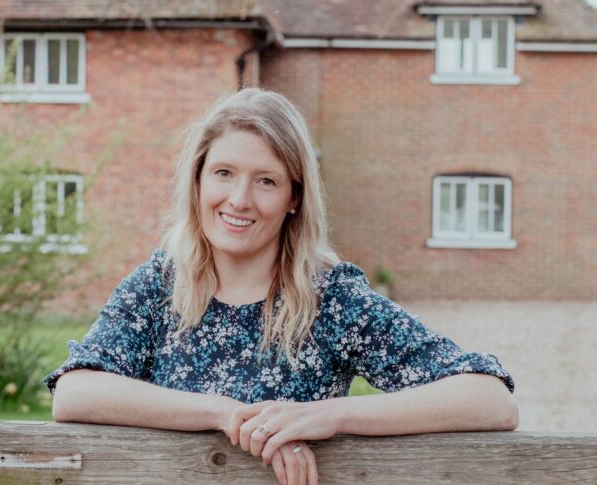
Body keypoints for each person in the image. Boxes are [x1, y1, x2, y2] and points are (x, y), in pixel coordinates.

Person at [45, 88, 518, 485]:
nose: (239, 200)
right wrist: (227, 414)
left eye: (266, 181)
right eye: (224, 173)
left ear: (294, 197)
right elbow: (75, 393)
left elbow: (490, 399)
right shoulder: (160, 286)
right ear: (197, 180)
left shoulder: (330, 300)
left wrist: (329, 416)